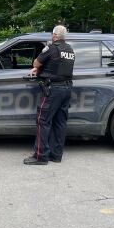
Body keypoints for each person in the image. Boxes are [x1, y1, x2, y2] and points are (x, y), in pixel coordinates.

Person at [24, 25, 75, 165]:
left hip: (53, 89)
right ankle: (56, 155)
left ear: (54, 35)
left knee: (43, 120)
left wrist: (37, 68)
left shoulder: (51, 48)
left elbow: (36, 62)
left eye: (52, 35)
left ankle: (40, 156)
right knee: (60, 122)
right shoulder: (70, 49)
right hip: (67, 88)